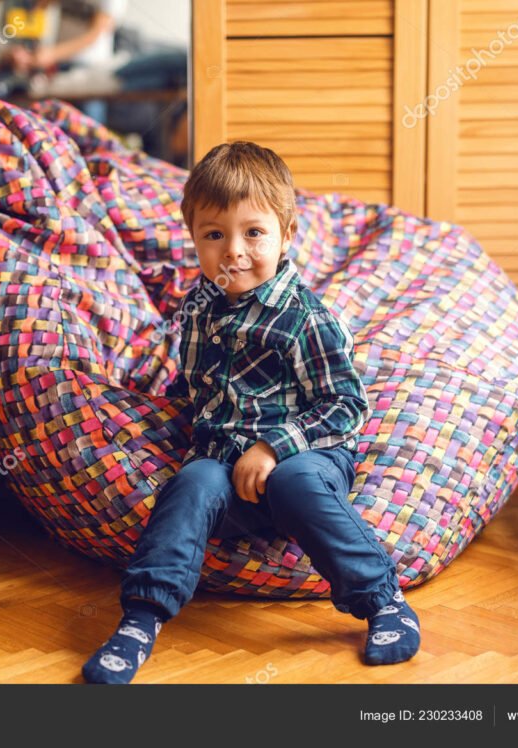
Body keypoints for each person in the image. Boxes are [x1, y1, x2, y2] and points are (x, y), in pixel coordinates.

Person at [80, 141, 421, 684]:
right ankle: (141, 619)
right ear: (194, 237)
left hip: (306, 454)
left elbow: (345, 406)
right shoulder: (199, 309)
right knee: (189, 486)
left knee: (294, 483)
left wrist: (273, 447)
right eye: (214, 234)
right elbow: (193, 385)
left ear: (286, 234)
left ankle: (382, 602)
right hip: (222, 460)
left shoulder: (305, 318)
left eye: (253, 233)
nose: (233, 251)